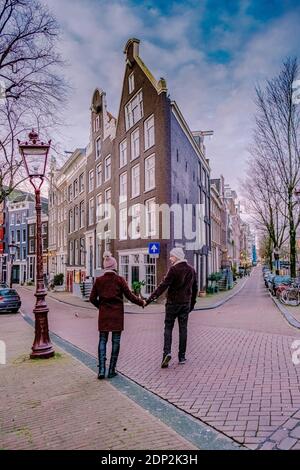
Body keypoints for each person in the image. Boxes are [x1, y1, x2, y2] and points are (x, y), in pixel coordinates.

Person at [89, 254, 145, 379]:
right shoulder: (120, 280)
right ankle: (112, 370)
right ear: (115, 267)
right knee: (116, 341)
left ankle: (101, 370)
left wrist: (101, 307)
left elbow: (92, 298)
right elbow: (130, 296)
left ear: (105, 267)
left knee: (102, 340)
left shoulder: (99, 280)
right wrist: (141, 302)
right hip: (117, 315)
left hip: (104, 315)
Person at [145, 247, 198, 368]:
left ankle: (166, 353)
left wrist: (148, 300)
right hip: (185, 304)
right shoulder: (191, 270)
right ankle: (182, 356)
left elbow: (162, 286)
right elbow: (195, 288)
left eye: (171, 256)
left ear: (177, 257)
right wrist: (192, 304)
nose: (170, 258)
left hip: (172, 304)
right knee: (183, 329)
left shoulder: (173, 270)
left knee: (168, 328)